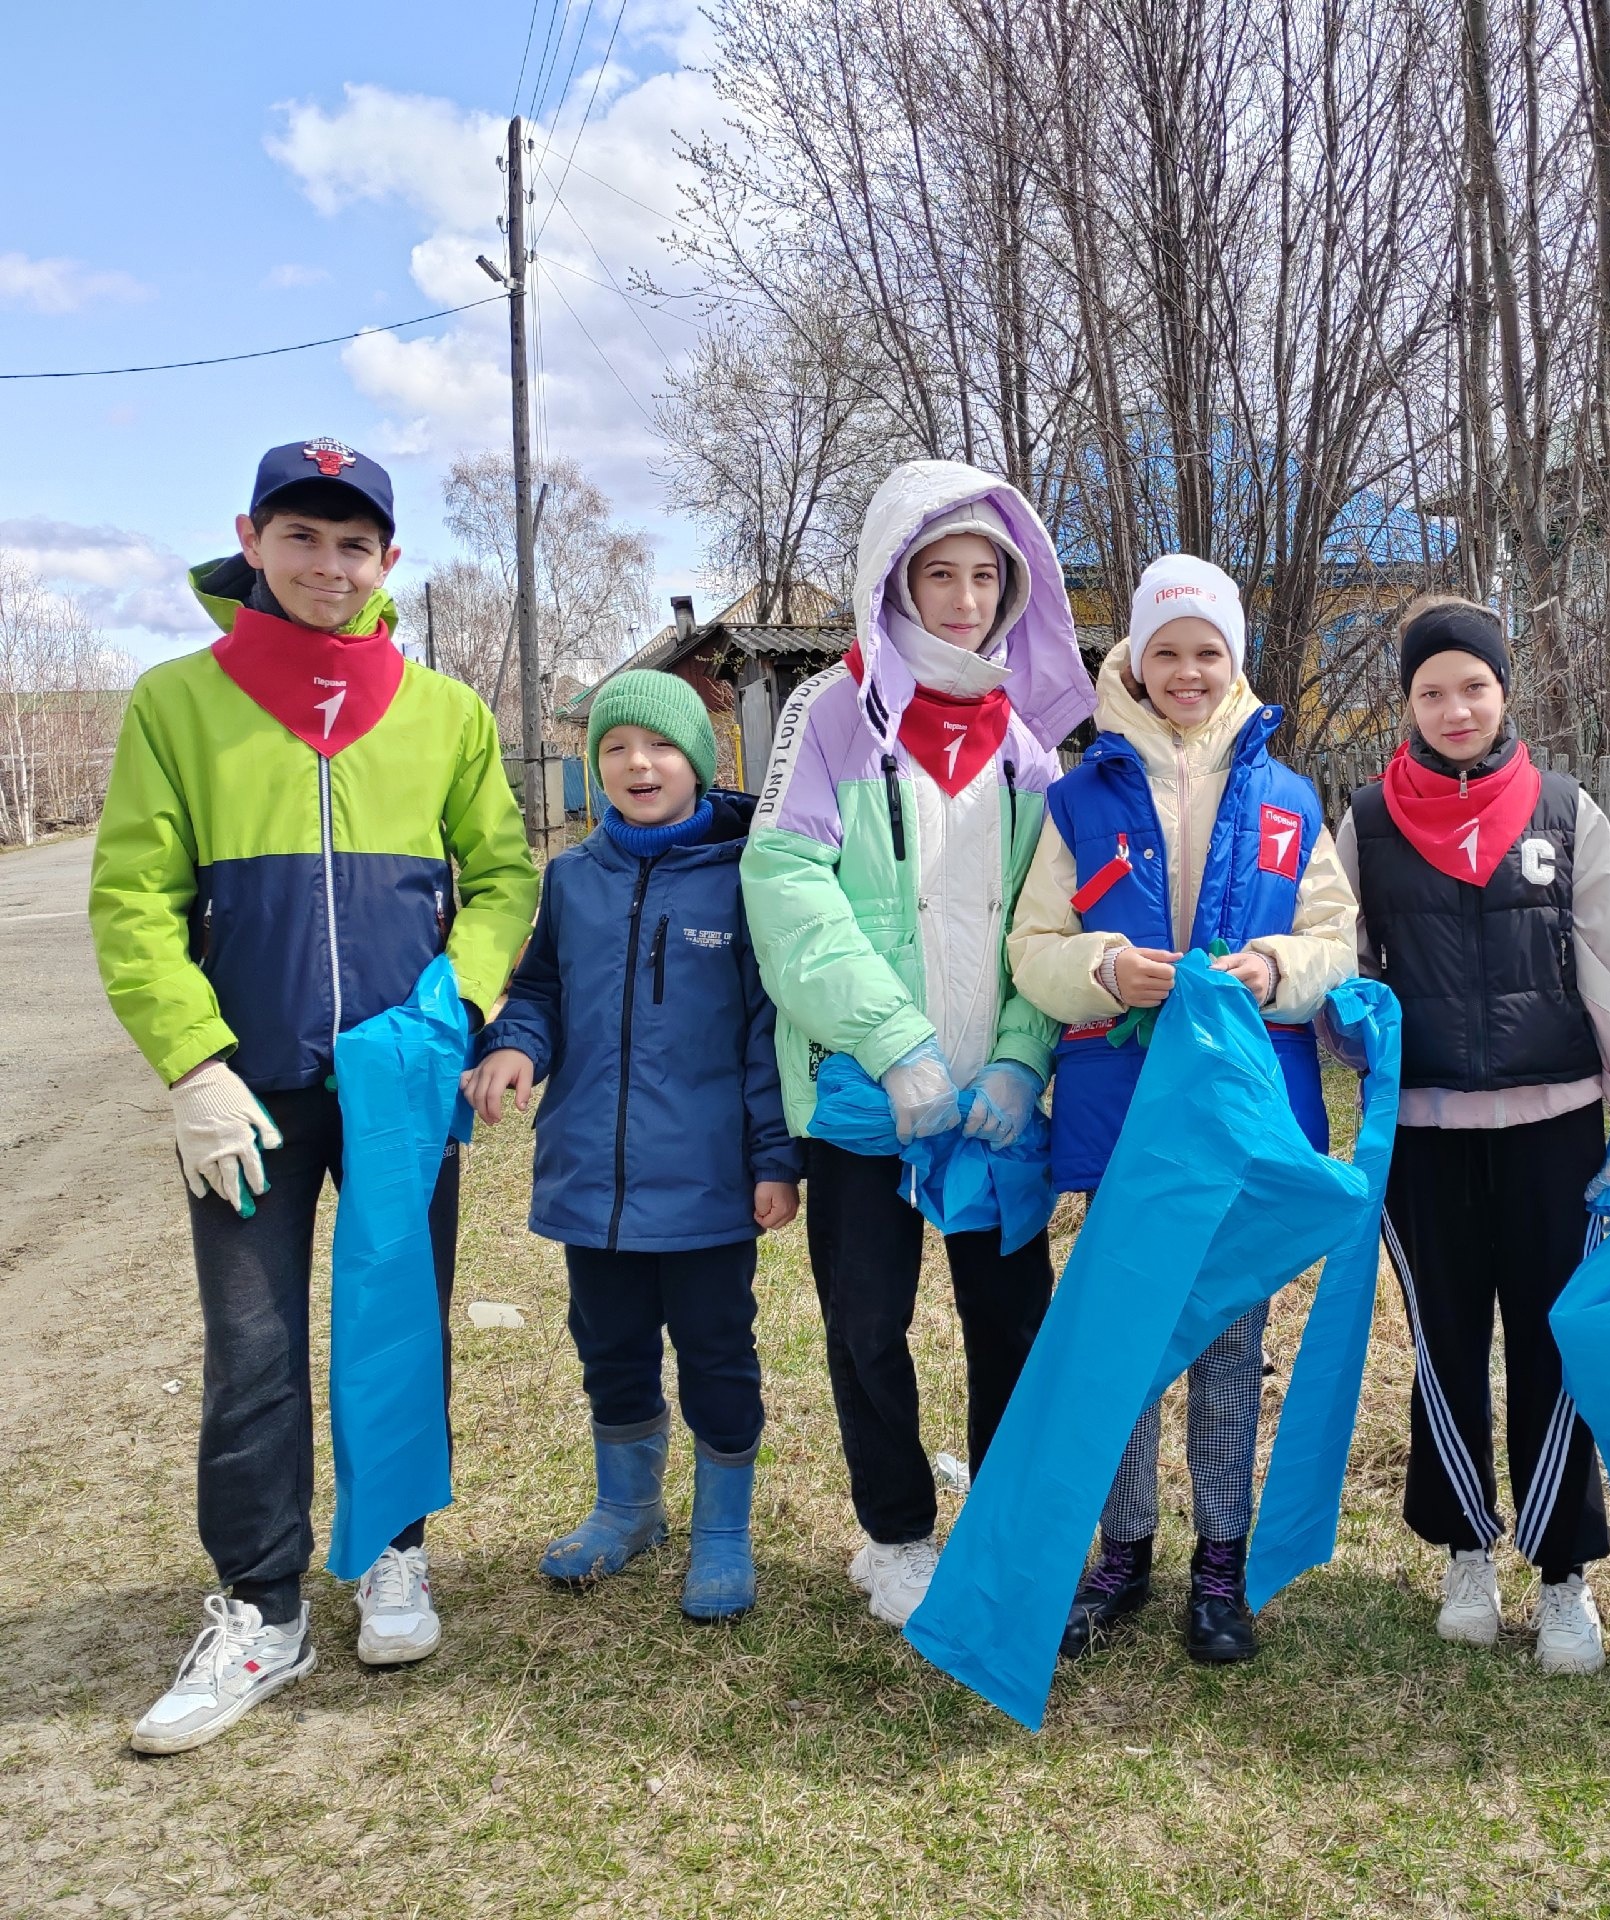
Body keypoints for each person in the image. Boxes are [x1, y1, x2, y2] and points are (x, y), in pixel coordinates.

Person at [92, 439, 537, 1753]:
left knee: (404, 1318)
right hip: (249, 1094)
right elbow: (131, 898)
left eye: (355, 545)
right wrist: (191, 1062)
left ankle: (394, 1553)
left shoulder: (444, 712)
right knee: (252, 1348)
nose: (329, 565)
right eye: (303, 537)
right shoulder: (178, 703)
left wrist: (453, 997)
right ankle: (260, 1605)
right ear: (252, 538)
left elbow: (504, 878)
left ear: (387, 561)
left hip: (400, 1082)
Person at [742, 459, 1095, 1628]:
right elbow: (787, 884)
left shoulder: (1027, 745)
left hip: (992, 1104)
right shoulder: (831, 712)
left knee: (1011, 1322)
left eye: (982, 575)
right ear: (892, 580)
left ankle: (1000, 1519)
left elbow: (1049, 919)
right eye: (935, 573)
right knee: (865, 1321)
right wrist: (893, 1044)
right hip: (862, 1095)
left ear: (1012, 588)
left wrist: (1018, 1057)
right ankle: (893, 1533)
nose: (959, 598)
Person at [1007, 554, 1359, 1665]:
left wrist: (1268, 968)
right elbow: (1034, 950)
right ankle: (1123, 1554)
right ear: (1135, 661)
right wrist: (1106, 967)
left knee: (1223, 1336)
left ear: (1236, 662)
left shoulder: (1291, 801)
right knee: (1123, 1336)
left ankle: (1221, 1559)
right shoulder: (1080, 798)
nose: (1188, 671)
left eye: (1208, 652)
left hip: (1241, 1116)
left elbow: (1333, 943)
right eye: (1167, 651)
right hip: (1122, 1113)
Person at [1333, 597, 1610, 1676]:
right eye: (1432, 691)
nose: (1455, 707)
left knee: (1553, 1349)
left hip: (1552, 1133)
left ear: (1504, 691)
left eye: (1472, 685)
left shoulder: (1566, 813)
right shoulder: (1370, 822)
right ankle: (1465, 1548)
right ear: (1408, 706)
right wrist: (1350, 1023)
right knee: (1444, 1348)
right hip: (1426, 1137)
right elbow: (1338, 959)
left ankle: (1562, 1574)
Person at [462, 670, 801, 1622]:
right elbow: (538, 993)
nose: (637, 764)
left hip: (708, 1187)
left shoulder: (747, 877)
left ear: (700, 759)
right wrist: (516, 1048)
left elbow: (766, 1030)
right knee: (608, 1347)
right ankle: (628, 1509)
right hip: (591, 1183)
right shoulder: (570, 880)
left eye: (658, 747)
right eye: (614, 747)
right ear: (594, 765)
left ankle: (724, 1533)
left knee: (716, 1352)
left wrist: (775, 1159)